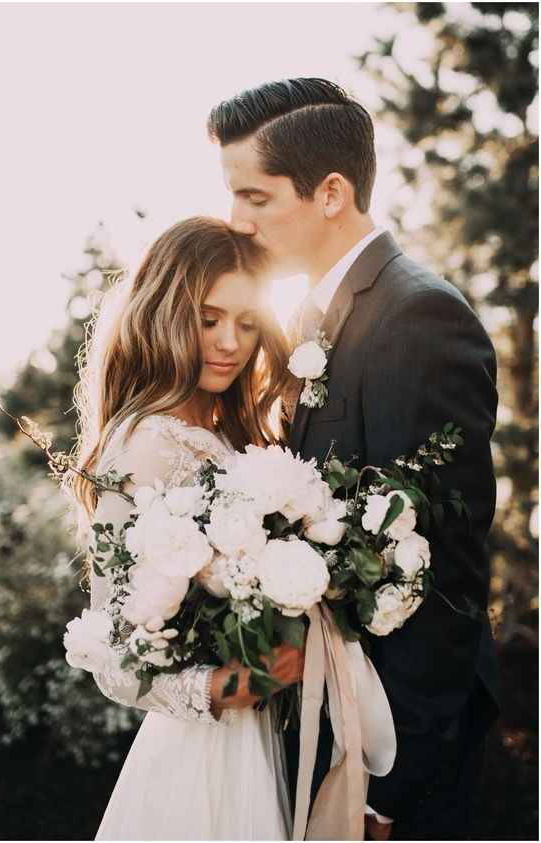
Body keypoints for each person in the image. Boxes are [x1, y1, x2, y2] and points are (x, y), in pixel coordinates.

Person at [208, 77, 501, 840]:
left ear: (331, 191)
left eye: (256, 197)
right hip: (331, 731)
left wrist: (385, 789)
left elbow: (440, 573)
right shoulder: (319, 316)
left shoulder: (419, 317)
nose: (236, 220)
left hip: (398, 765)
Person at [70, 216, 302, 840]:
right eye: (208, 319)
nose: (230, 341)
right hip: (206, 757)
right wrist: (230, 685)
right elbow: (113, 656)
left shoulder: (230, 433)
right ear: (165, 313)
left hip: (267, 734)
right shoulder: (141, 446)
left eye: (248, 323)